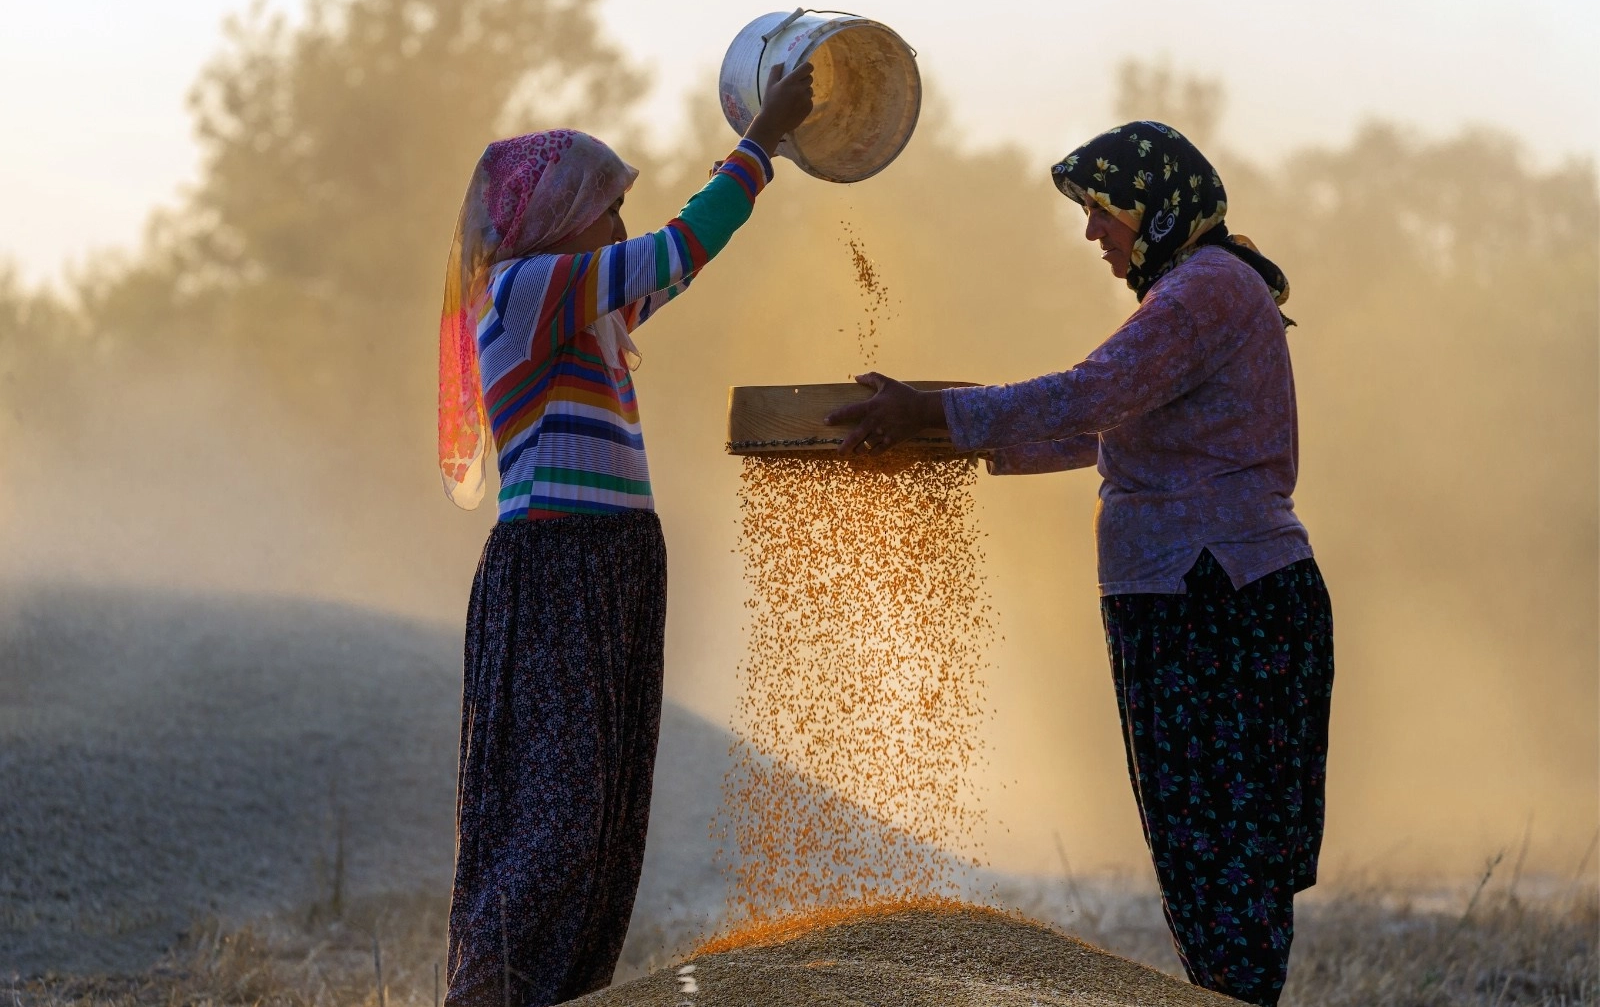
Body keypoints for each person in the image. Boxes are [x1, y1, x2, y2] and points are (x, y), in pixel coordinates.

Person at [825, 120, 1334, 1007]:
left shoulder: (1203, 292)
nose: (1093, 232)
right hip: (1201, 595)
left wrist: (938, 416)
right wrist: (935, 427)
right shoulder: (1195, 292)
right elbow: (1102, 427)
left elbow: (1087, 396)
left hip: (1215, 597)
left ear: (1156, 206)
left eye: (1103, 210)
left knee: (1220, 857)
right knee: (1206, 857)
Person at [435, 62, 814, 1006]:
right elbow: (678, 245)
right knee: (554, 826)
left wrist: (764, 155)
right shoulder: (527, 289)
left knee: (603, 822)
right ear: (558, 219)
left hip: (612, 568)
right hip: (557, 567)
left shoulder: (585, 308)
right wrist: (760, 142)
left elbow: (676, 258)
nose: (618, 227)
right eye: (605, 209)